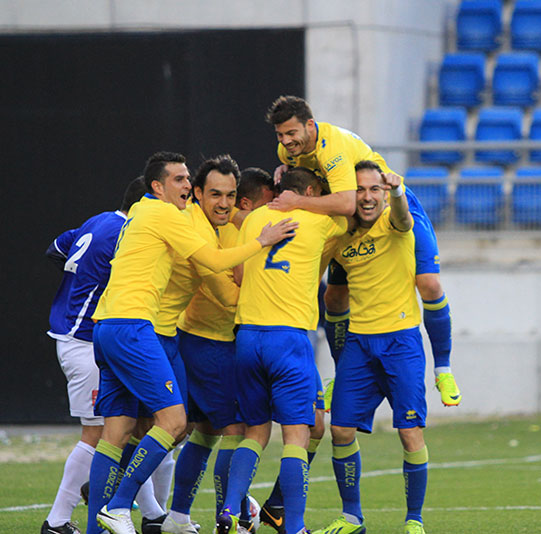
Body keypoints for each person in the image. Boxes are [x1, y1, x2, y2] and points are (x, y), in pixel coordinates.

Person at [85, 151, 298, 534]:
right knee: (184, 423)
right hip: (145, 330)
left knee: (124, 430)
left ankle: (115, 520)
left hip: (122, 326)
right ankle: (122, 506)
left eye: (230, 195)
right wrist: (263, 241)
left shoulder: (143, 210)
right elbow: (215, 266)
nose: (223, 203)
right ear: (161, 187)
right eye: (182, 181)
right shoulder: (176, 217)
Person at [265, 95, 461, 407]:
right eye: (281, 135)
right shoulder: (288, 151)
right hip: (351, 221)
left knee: (429, 283)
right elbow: (333, 197)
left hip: (387, 206)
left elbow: (345, 201)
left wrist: (297, 201)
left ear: (310, 126)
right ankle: (341, 374)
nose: (287, 141)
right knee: (332, 297)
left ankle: (443, 369)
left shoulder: (334, 148)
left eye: (292, 133)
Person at [215, 167, 348, 534]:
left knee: (254, 432)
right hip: (288, 339)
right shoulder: (319, 222)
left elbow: (240, 276)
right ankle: (295, 526)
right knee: (296, 435)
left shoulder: (256, 217)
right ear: (307, 191)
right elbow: (351, 207)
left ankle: (229, 509)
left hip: (247, 337)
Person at [315, 160, 430, 534]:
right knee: (341, 430)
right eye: (360, 189)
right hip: (359, 345)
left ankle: (414, 520)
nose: (366, 197)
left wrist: (396, 192)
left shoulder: (396, 221)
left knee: (410, 432)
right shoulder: (341, 238)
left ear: (383, 194)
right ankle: (352, 517)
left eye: (374, 190)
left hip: (402, 342)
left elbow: (402, 216)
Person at [41, 176, 145, 534]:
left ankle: (152, 513)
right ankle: (56, 521)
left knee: (126, 427)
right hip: (84, 341)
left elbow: (56, 249)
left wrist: (80, 281)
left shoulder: (99, 220)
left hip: (78, 335)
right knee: (99, 434)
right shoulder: (124, 233)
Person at [153, 155, 250, 534]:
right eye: (214, 195)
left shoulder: (228, 227)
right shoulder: (193, 226)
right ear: (196, 194)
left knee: (198, 431)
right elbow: (227, 295)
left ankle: (176, 515)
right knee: (235, 430)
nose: (223, 203)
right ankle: (231, 518)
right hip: (209, 344)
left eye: (230, 195)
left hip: (190, 337)